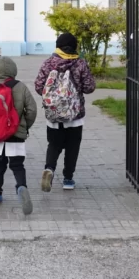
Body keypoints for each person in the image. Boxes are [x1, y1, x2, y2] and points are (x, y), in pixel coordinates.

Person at [34, 33, 96, 191]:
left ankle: (49, 169)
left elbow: (39, 86)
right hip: (75, 115)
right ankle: (68, 178)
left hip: (54, 115)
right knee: (73, 146)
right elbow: (90, 87)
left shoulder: (49, 63)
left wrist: (53, 98)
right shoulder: (80, 63)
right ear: (75, 46)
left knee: (54, 144)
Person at [0, 57, 38, 214]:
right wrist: (25, 126)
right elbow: (32, 110)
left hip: (0, 133)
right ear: (13, 70)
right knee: (17, 165)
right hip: (16, 133)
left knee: (0, 164)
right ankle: (21, 187)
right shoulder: (20, 86)